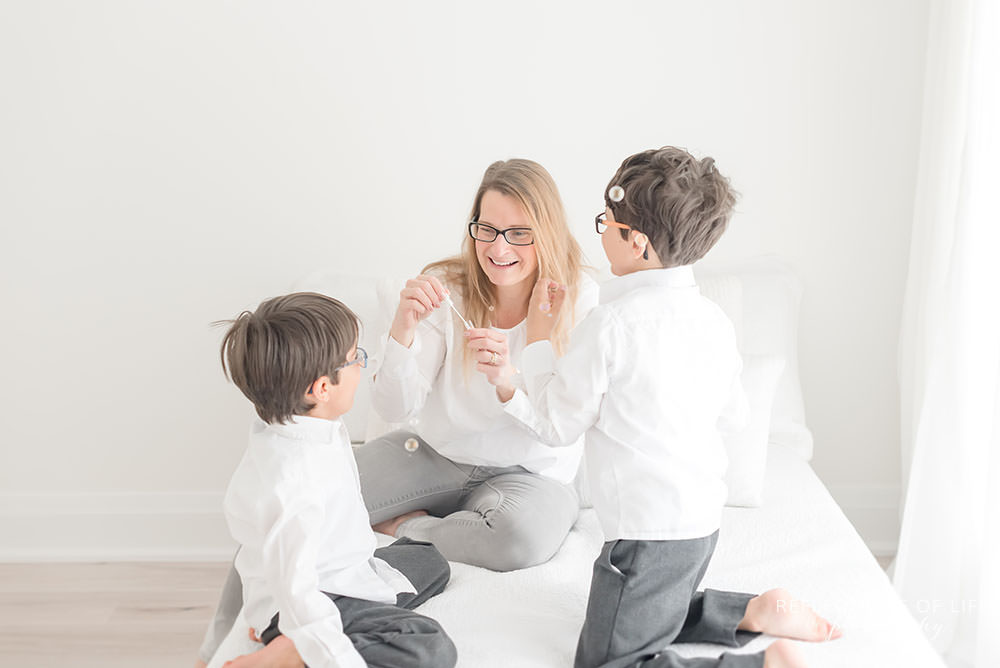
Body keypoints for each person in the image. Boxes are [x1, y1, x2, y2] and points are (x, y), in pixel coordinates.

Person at [195, 159, 598, 666]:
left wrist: (507, 381)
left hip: (530, 475)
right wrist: (404, 329)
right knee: (285, 513)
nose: (498, 248)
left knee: (520, 538)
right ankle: (224, 646)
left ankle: (403, 529)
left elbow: (564, 426)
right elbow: (393, 407)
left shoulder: (578, 299)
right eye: (487, 229)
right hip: (432, 455)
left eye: (519, 233)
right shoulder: (445, 285)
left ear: (547, 232)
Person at [479, 147, 841, 668]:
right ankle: (750, 612)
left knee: (607, 661)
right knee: (648, 613)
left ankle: (763, 662)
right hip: (698, 525)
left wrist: (523, 367)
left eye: (607, 221)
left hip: (644, 539)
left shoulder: (610, 326)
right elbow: (734, 416)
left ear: (638, 242)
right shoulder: (712, 319)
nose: (600, 231)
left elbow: (557, 427)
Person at [211, 292, 456, 668]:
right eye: (355, 358)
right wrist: (326, 651)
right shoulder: (292, 482)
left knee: (429, 560)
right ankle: (288, 649)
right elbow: (296, 590)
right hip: (308, 598)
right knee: (430, 647)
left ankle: (310, 632)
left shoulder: (298, 420)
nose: (362, 365)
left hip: (344, 569)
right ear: (322, 388)